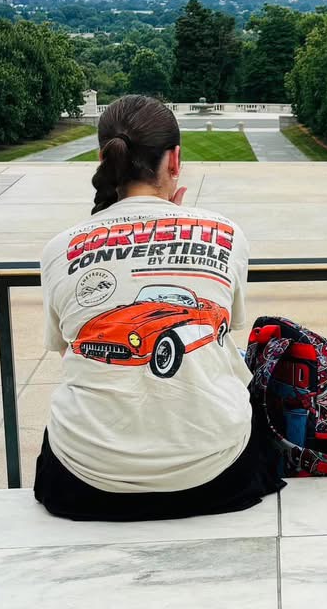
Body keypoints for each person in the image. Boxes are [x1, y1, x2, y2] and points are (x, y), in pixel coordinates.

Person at [35, 95, 283, 520]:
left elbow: (68, 350)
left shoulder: (59, 247)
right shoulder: (225, 233)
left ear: (103, 158)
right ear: (175, 160)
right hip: (217, 475)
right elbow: (226, 334)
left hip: (84, 480)